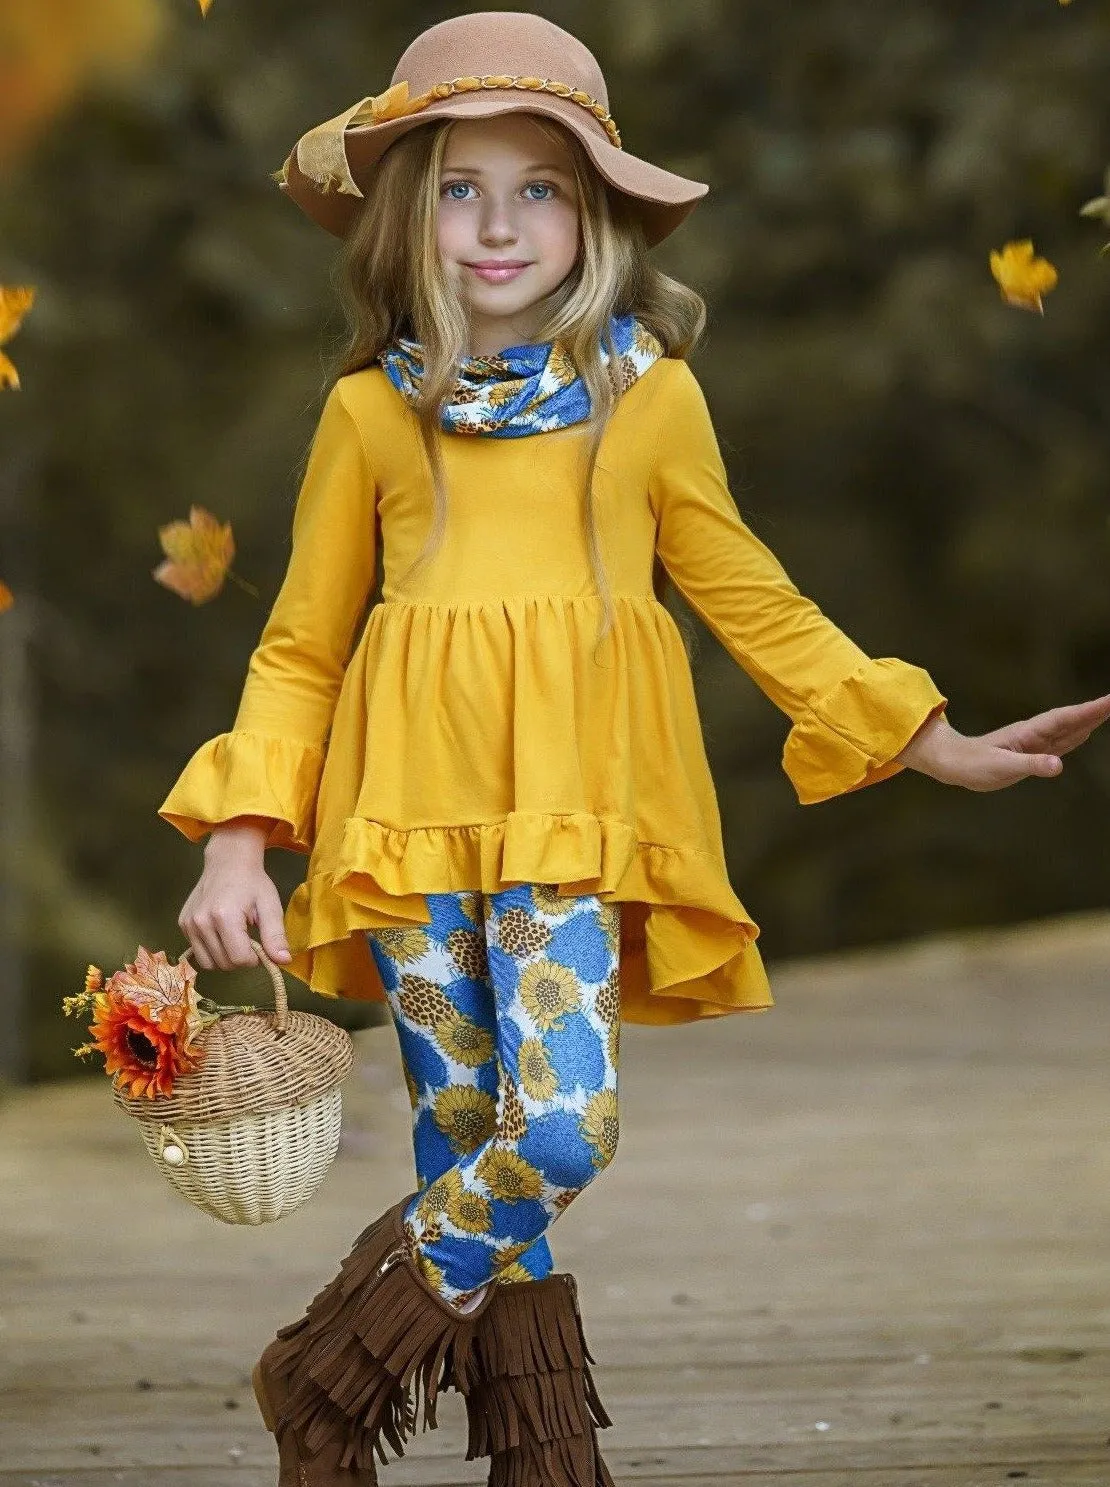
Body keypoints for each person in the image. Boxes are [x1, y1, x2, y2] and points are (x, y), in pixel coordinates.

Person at [157, 12, 1110, 1485]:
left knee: (562, 1128)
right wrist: (237, 838)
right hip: (404, 826)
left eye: (539, 186)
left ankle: (326, 1370)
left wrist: (929, 741)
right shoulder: (368, 415)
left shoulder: (643, 402)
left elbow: (753, 597)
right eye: (460, 185)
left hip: (570, 820)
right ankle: (545, 1462)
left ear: (594, 214)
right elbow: (298, 646)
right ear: (407, 215)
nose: (496, 222)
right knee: (464, 1133)